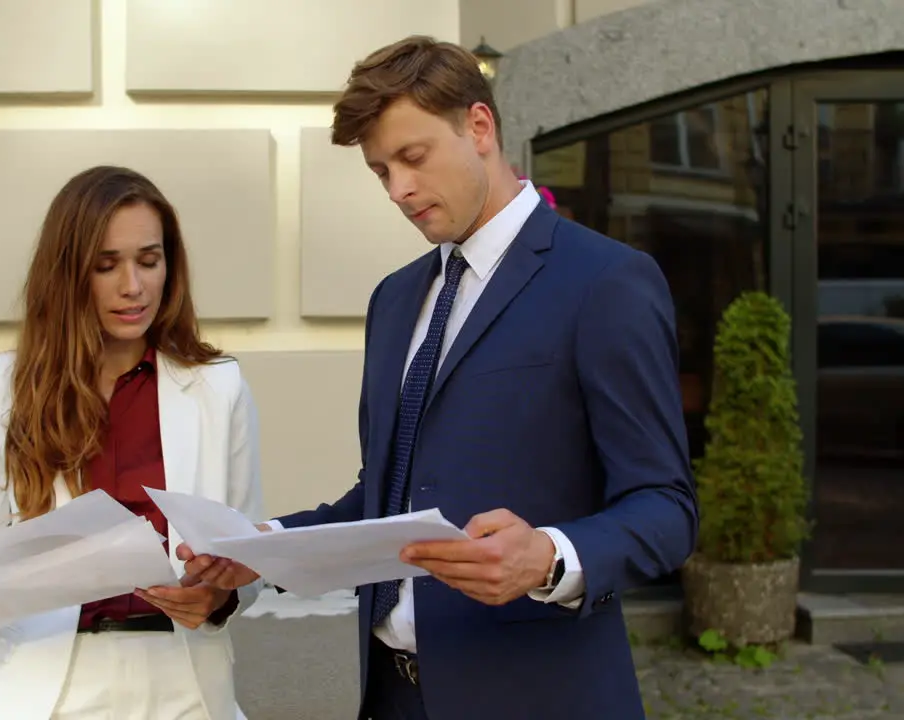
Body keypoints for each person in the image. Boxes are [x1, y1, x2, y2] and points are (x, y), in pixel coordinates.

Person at [181, 36, 697, 719]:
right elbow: (388, 499)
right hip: (390, 697)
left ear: (479, 127)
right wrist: (261, 551)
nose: (399, 190)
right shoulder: (395, 299)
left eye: (413, 158)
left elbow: (665, 506)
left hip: (538, 697)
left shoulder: (604, 282)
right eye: (380, 172)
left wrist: (548, 556)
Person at [0, 166, 264, 720]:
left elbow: (243, 556)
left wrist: (218, 596)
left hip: (183, 679)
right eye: (106, 266)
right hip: (46, 680)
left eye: (149, 260)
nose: (133, 286)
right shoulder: (7, 387)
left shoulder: (219, 386)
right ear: (69, 272)